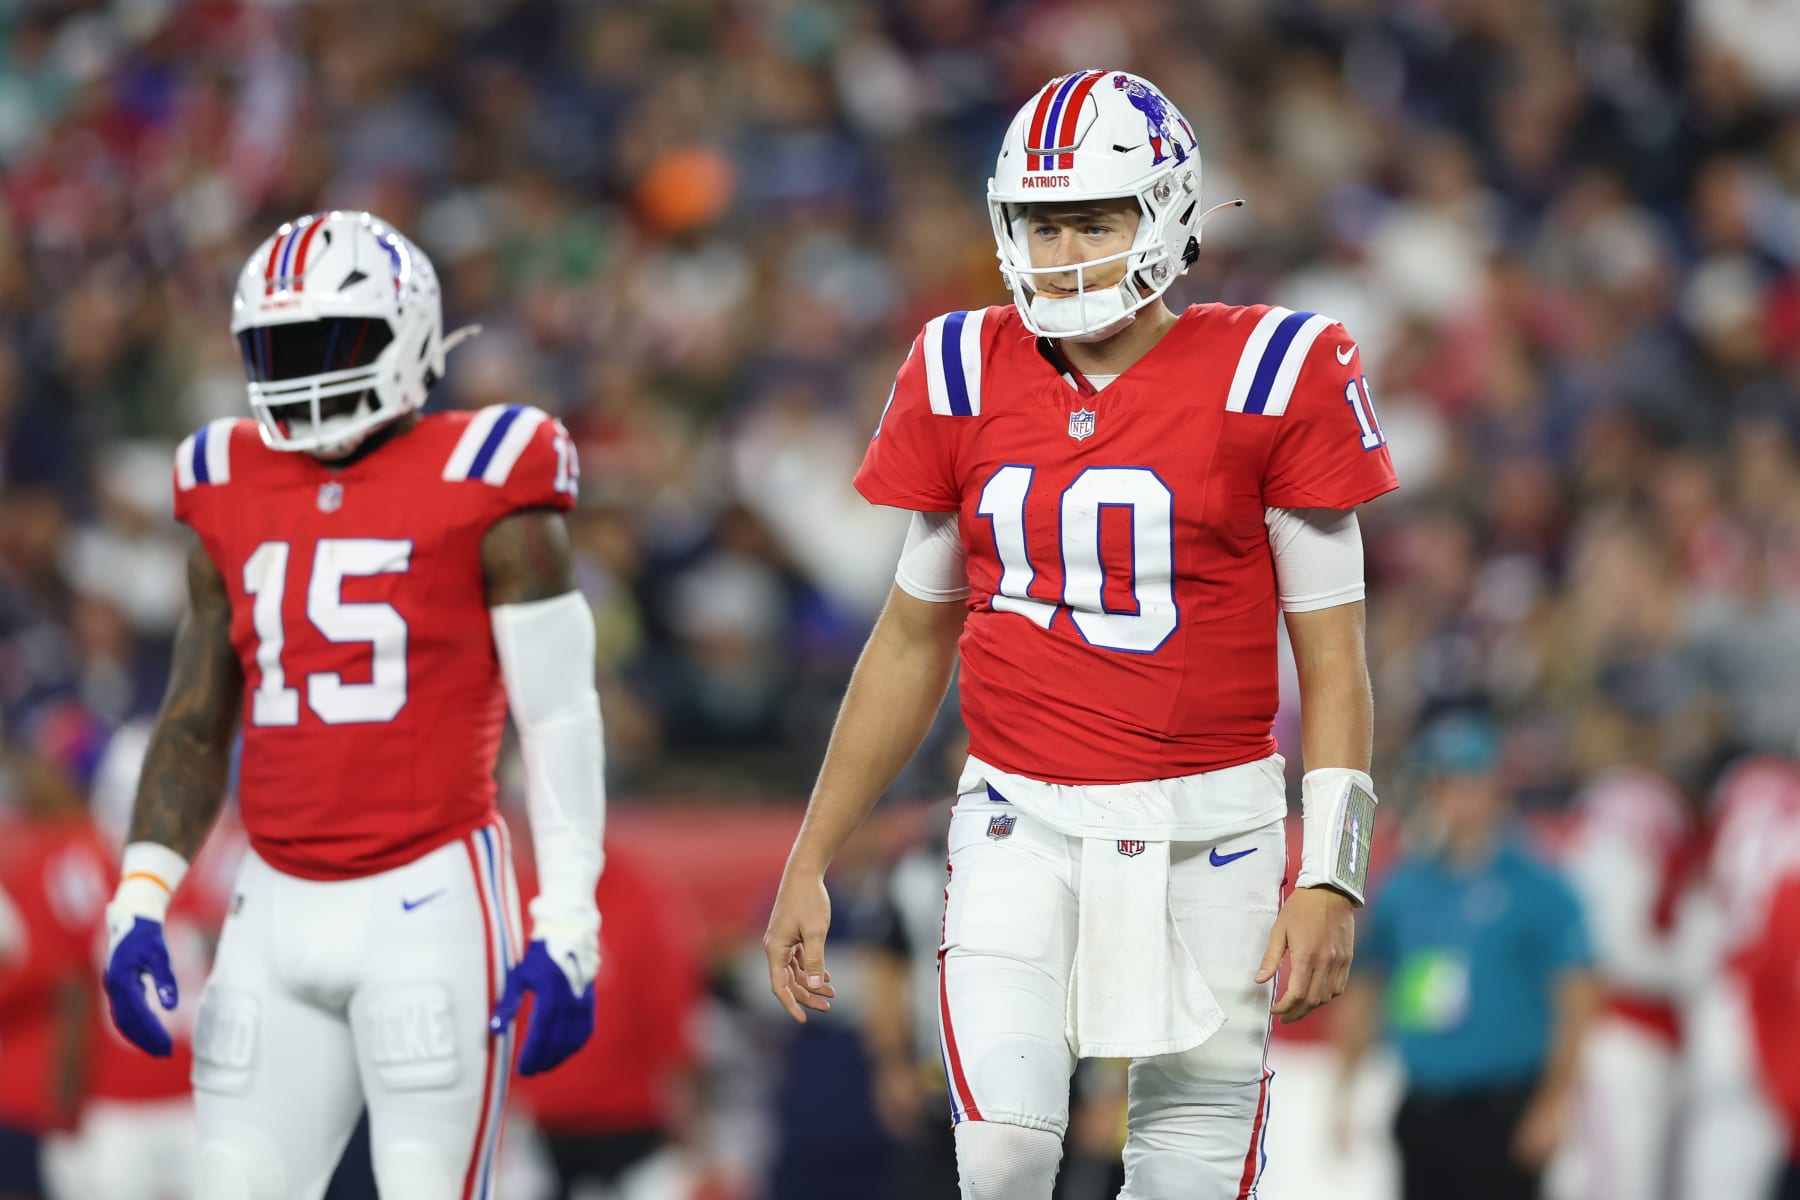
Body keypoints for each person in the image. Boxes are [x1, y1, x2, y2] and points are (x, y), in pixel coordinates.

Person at [763, 69, 1399, 1198]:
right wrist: (812, 853)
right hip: (1023, 818)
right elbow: (911, 640)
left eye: (1093, 220)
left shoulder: (1278, 367)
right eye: (1040, 223)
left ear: (1167, 213)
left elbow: (1334, 654)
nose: (1061, 252)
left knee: (1185, 1185)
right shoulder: (958, 366)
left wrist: (1334, 875)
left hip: (1219, 829)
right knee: (1003, 1157)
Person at [99, 210, 607, 1200]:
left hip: (431, 895)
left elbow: (560, 719)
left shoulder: (492, 467)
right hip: (268, 899)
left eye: (333, 342)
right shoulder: (222, 476)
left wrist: (568, 921)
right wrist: (140, 894)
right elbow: (198, 715)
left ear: (408, 331)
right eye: (279, 348)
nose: (304, 371)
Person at [1334, 713, 1599, 1200]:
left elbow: (1576, 997)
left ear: (1498, 786)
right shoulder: (1406, 886)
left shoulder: (1539, 885)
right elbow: (1369, 985)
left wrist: (1553, 1103)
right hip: (1423, 1105)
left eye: (1472, 781)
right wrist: (1344, 1088)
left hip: (1504, 1109)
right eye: (1448, 783)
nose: (1460, 797)